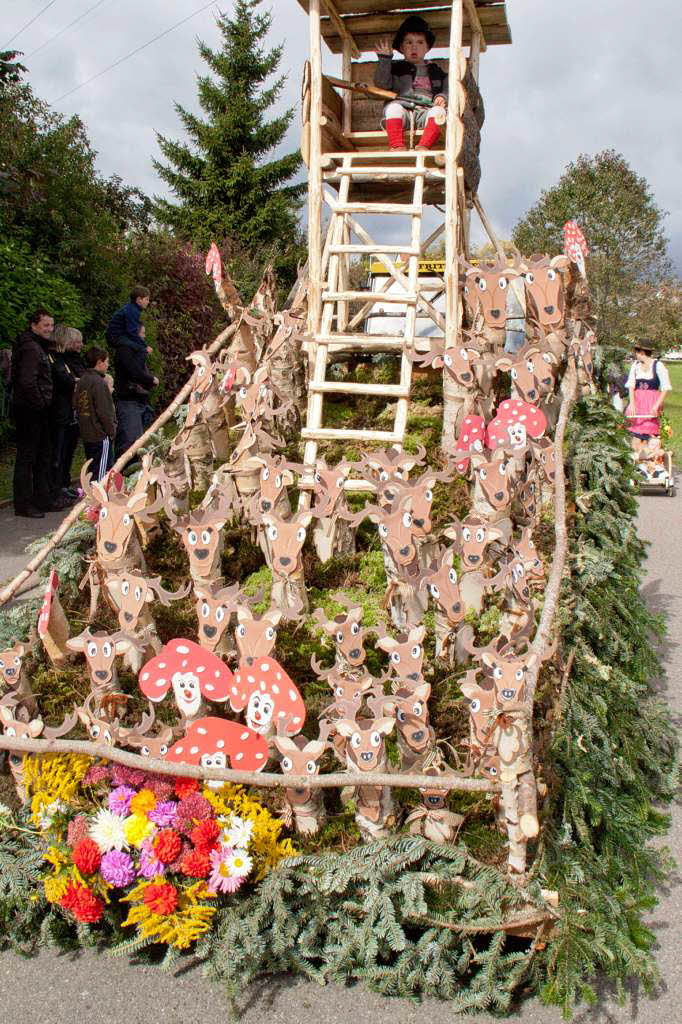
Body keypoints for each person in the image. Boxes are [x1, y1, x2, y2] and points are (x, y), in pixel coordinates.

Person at [11, 308, 71, 517]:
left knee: (43, 455)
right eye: (46, 325)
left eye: (51, 325)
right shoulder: (30, 348)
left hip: (38, 409)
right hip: (30, 410)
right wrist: (41, 402)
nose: (49, 329)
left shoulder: (39, 347)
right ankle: (24, 503)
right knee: (28, 457)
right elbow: (27, 382)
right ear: (34, 325)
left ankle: (42, 498)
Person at [374, 15, 448, 151]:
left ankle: (424, 146)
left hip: (426, 111)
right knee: (393, 109)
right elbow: (382, 84)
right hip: (403, 111)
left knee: (439, 112)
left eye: (420, 43)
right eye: (409, 43)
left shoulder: (435, 70)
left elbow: (448, 86)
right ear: (401, 47)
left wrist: (442, 96)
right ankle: (397, 146)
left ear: (427, 48)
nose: (414, 47)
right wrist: (385, 60)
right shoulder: (396, 68)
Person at [107, 287, 158, 456]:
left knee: (137, 438)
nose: (148, 302)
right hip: (128, 398)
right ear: (138, 299)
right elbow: (134, 370)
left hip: (137, 398)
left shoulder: (131, 312)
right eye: (146, 299)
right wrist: (143, 348)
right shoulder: (131, 314)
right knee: (130, 440)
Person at [73, 347, 117, 481]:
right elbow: (105, 411)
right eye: (107, 362)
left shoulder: (82, 381)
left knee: (92, 469)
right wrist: (111, 431)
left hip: (87, 433)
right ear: (99, 362)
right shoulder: (99, 383)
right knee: (102, 474)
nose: (108, 365)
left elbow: (76, 404)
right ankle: (99, 499)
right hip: (100, 434)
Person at [625, 341, 671, 460]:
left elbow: (665, 388)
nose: (635, 353)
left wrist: (656, 406)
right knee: (636, 437)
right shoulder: (635, 365)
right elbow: (631, 385)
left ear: (643, 352)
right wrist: (632, 404)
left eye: (637, 351)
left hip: (651, 404)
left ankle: (650, 462)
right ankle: (638, 464)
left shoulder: (658, 366)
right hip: (638, 403)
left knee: (649, 438)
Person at [48, 325, 80, 501]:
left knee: (65, 451)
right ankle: (55, 488)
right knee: (57, 453)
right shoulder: (55, 360)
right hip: (59, 412)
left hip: (65, 412)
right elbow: (65, 380)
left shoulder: (61, 360)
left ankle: (61, 485)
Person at [61, 326, 86, 495]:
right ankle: (61, 483)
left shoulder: (76, 359)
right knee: (63, 450)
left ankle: (64, 481)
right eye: (77, 341)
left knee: (69, 449)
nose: (80, 345)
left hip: (73, 412)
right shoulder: (65, 361)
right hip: (67, 411)